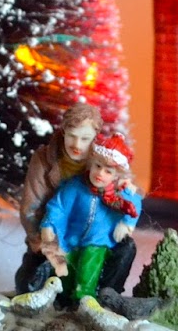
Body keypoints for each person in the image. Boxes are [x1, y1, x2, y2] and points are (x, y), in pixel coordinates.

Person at [15, 104, 137, 296]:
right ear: (63, 131)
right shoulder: (43, 159)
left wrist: (124, 190)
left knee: (125, 248)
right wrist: (46, 241)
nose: (77, 145)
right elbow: (30, 209)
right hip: (55, 232)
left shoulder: (101, 158)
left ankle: (106, 294)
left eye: (85, 138)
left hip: (93, 233)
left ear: (95, 136)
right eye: (72, 136)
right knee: (29, 285)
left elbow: (126, 192)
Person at [39, 132, 141, 313]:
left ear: (116, 176)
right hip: (71, 239)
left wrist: (126, 223)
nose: (100, 173)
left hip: (98, 241)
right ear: (90, 163)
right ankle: (62, 300)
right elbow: (59, 206)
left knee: (88, 271)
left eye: (108, 171)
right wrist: (49, 223)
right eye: (97, 166)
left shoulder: (120, 192)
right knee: (66, 270)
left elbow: (135, 203)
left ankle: (83, 302)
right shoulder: (76, 186)